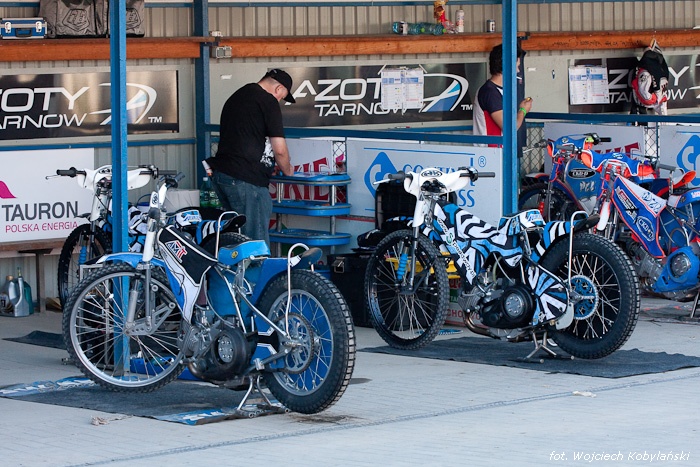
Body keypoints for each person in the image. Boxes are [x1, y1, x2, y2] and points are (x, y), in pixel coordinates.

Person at [206, 69, 296, 247]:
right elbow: (279, 150)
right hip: (247, 180)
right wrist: (288, 169)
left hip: (222, 175)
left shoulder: (238, 96)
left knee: (235, 240)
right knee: (256, 242)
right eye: (282, 97)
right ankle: (256, 267)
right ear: (278, 89)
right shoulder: (268, 101)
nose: (279, 100)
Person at [473, 43, 533, 145]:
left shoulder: (500, 91)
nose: (518, 71)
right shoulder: (490, 92)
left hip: (499, 151)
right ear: (507, 66)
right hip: (490, 152)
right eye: (517, 66)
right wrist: (523, 110)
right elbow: (510, 128)